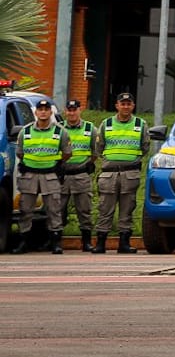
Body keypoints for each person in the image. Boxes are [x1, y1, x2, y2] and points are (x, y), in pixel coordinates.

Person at [10, 98, 71, 254]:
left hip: (50, 175)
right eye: (40, 109)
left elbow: (67, 153)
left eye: (46, 109)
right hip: (29, 175)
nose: (43, 112)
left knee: (53, 209)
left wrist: (54, 163)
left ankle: (55, 242)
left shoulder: (60, 132)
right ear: (36, 112)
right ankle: (24, 242)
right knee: (26, 209)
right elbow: (20, 153)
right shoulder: (26, 131)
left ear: (50, 112)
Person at [94, 91, 148, 254]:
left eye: (128, 104)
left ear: (133, 106)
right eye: (122, 104)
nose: (125, 106)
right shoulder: (106, 124)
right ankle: (100, 243)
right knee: (105, 208)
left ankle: (124, 243)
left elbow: (145, 147)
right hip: (109, 174)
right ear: (117, 105)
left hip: (130, 174)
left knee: (127, 209)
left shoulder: (140, 124)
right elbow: (99, 147)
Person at [59, 98, 98, 252]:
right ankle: (55, 240)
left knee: (84, 209)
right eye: (69, 110)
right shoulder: (59, 128)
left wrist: (87, 164)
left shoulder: (90, 129)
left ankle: (86, 241)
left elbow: (95, 151)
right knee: (58, 209)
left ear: (80, 110)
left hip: (81, 175)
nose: (72, 113)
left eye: (74, 110)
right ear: (65, 111)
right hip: (62, 175)